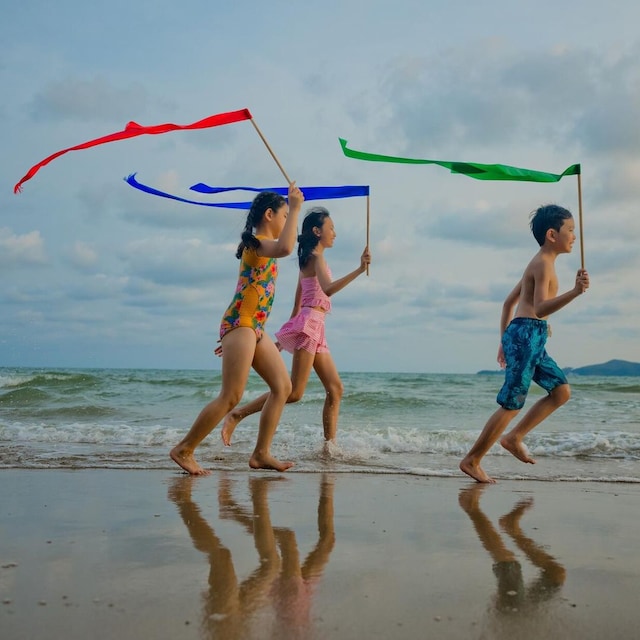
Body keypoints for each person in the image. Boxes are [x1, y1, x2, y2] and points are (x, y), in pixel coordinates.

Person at [170, 183, 305, 475]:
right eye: (283, 217)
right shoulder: (255, 244)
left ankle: (261, 453)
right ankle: (184, 448)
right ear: (269, 215)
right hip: (241, 324)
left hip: (254, 327)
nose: (286, 223)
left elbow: (283, 246)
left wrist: (292, 210)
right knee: (231, 395)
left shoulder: (261, 246)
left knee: (283, 387)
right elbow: (285, 247)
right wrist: (295, 207)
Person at [460, 204, 589, 483]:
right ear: (552, 234)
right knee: (512, 402)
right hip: (527, 334)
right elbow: (540, 308)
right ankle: (472, 460)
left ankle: (514, 437)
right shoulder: (542, 263)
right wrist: (575, 292)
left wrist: (505, 339)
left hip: (527, 335)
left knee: (561, 391)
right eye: (571, 230)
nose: (574, 236)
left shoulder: (541, 261)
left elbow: (509, 303)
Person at [221, 206, 371, 447]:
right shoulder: (316, 257)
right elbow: (329, 289)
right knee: (293, 392)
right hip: (310, 325)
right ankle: (238, 414)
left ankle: (329, 448)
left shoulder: (309, 258)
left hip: (314, 325)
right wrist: (359, 269)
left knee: (335, 388)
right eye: (331, 228)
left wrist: (287, 331)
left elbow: (298, 298)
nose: (335, 233)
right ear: (316, 231)